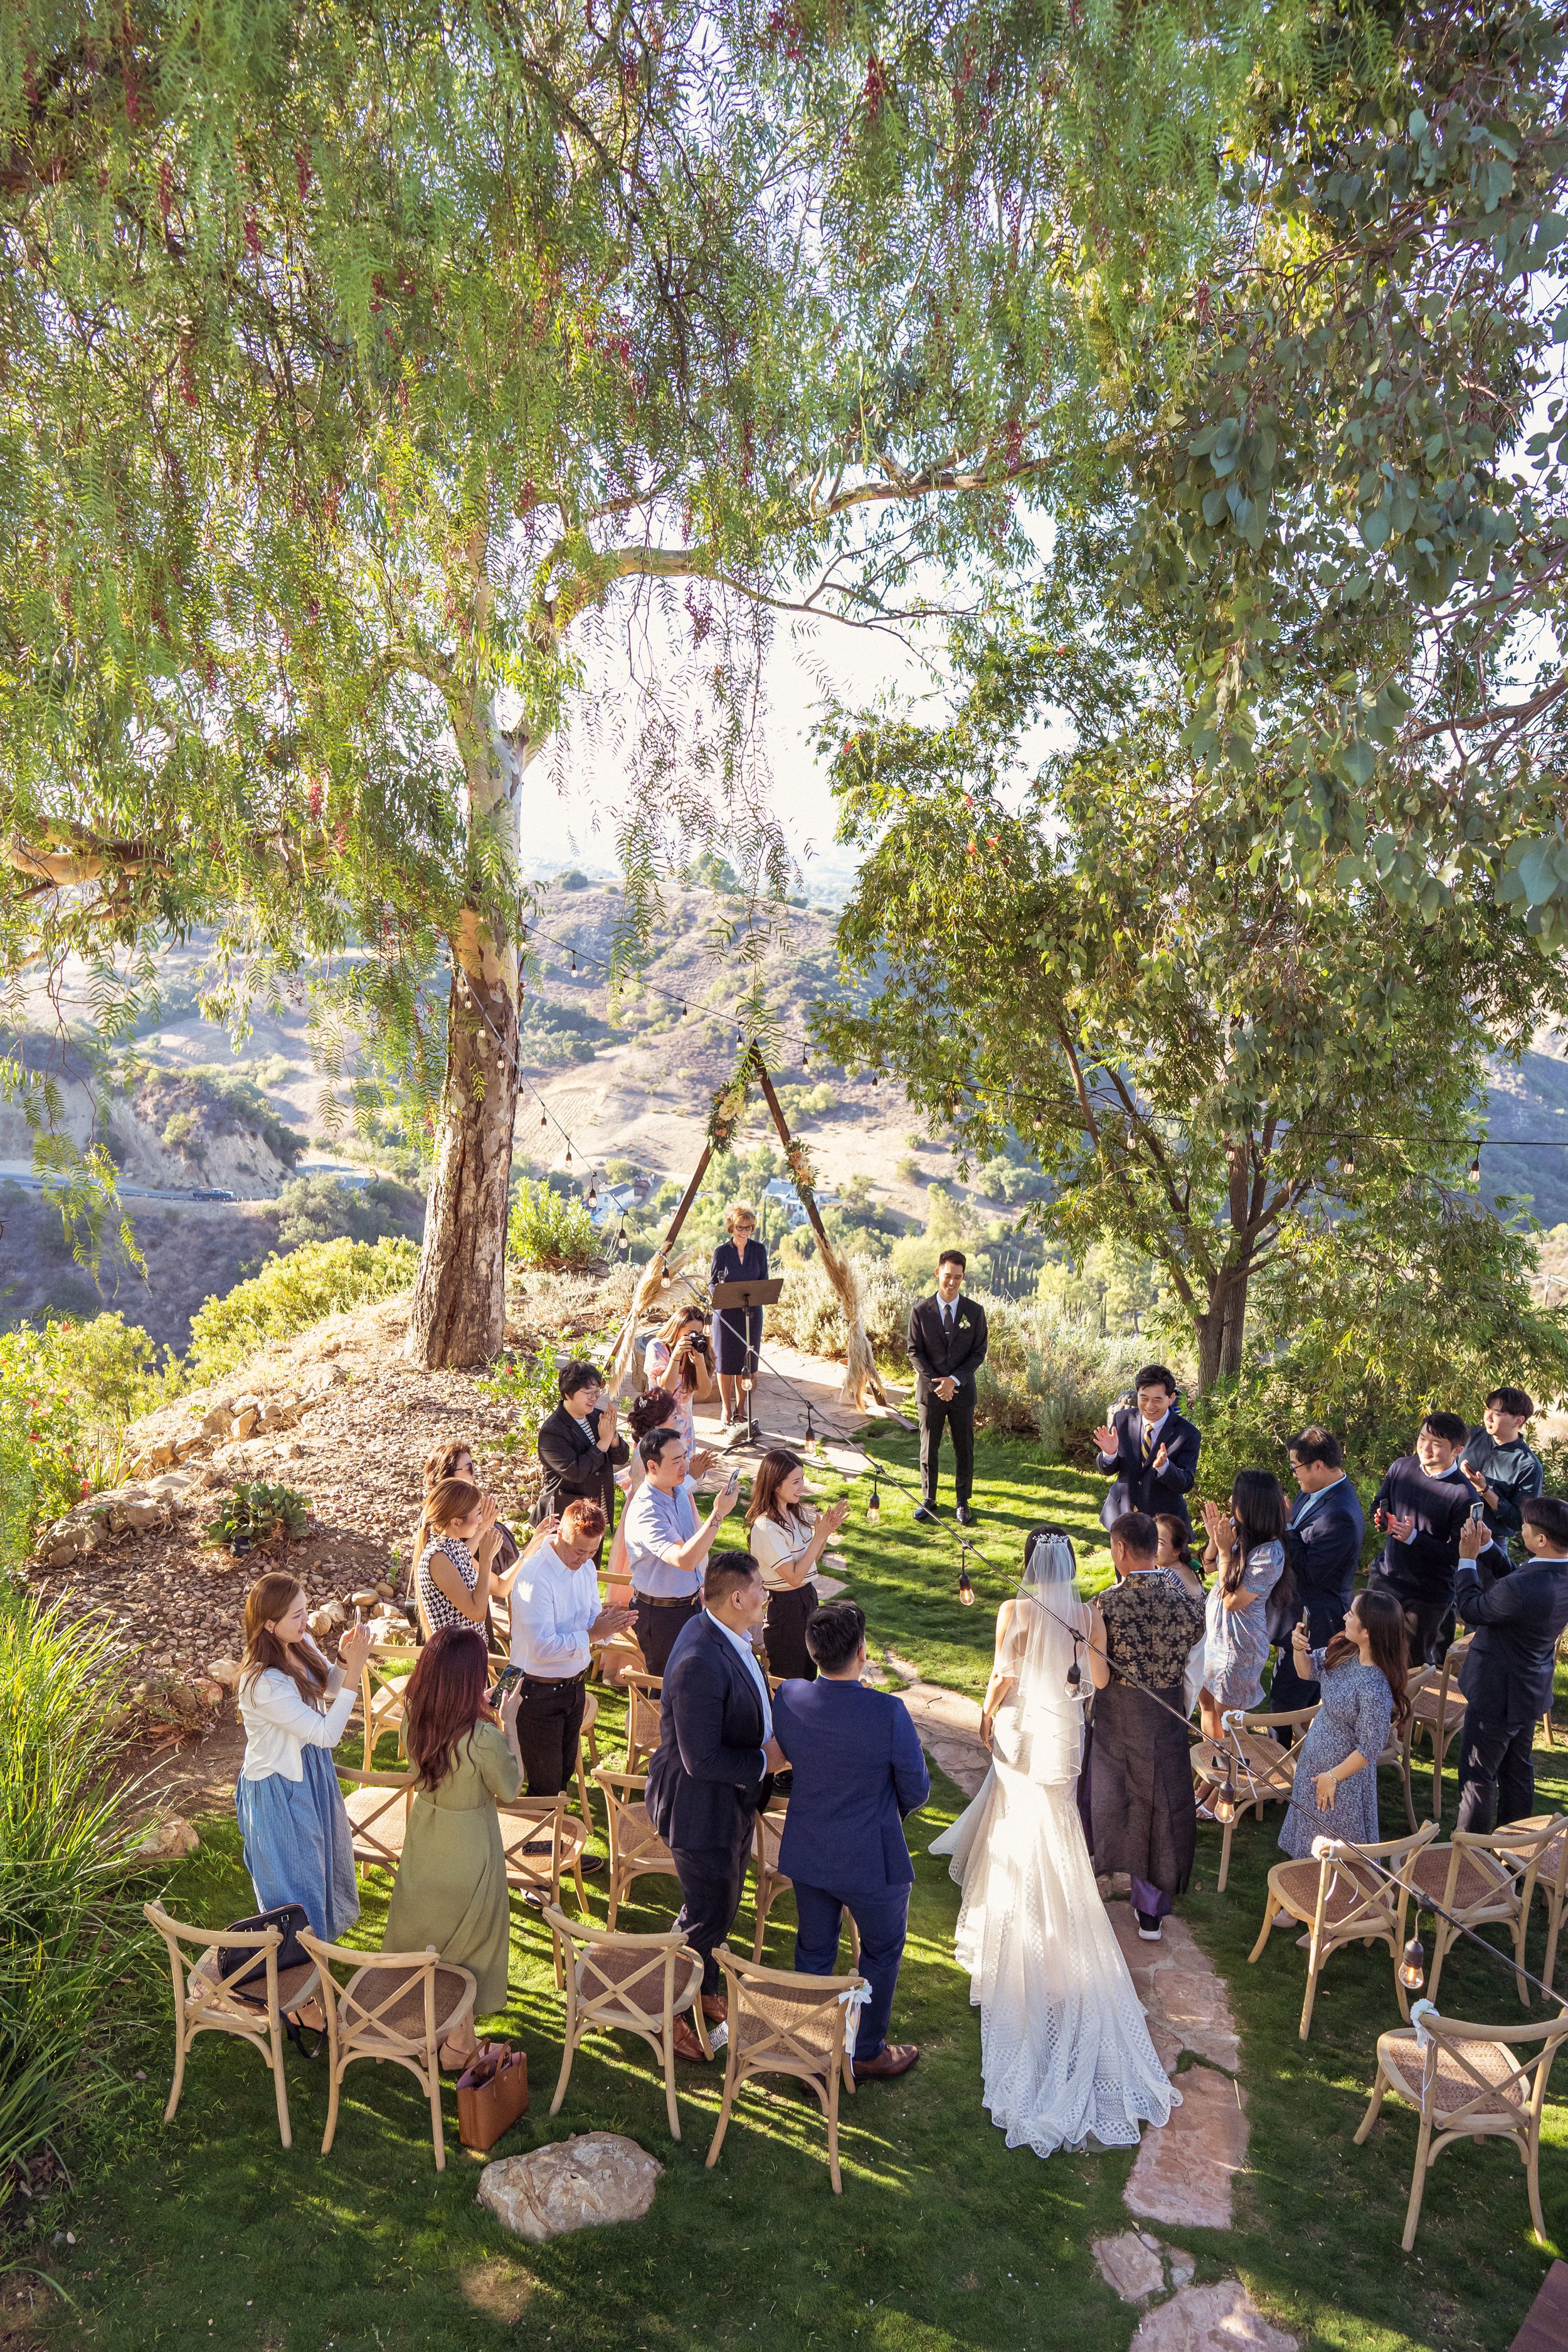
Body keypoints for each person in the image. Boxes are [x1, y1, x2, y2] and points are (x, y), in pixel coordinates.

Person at [931, 1530, 1176, 2153]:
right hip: (1065, 1733)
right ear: (1069, 1566)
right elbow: (1094, 1680)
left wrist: (986, 1717)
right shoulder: (1089, 1611)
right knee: (1058, 1826)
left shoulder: (1013, 1609)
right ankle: (1051, 1918)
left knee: (1019, 1822)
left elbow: (1001, 1675)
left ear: (1027, 1565)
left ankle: (1018, 1917)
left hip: (1022, 1729)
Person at [772, 1601, 928, 2082]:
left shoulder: (791, 1697)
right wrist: (887, 1811)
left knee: (815, 1949)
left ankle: (815, 2047)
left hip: (810, 1849)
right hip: (872, 1858)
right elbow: (917, 1789)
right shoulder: (888, 1712)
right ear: (862, 1652)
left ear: (812, 1651)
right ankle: (864, 2051)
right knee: (881, 1951)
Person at [645, 1551, 788, 2062]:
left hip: (727, 1804)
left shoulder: (724, 1633)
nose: (766, 1598)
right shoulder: (699, 1662)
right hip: (698, 1809)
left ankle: (702, 1990)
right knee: (707, 1914)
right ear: (736, 1598)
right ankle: (670, 2013)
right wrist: (764, 1761)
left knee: (721, 1905)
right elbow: (701, 1758)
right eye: (760, 1591)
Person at [384, 1626, 523, 2071]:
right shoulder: (483, 1738)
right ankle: (460, 2044)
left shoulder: (413, 1718)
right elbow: (512, 1788)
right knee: (471, 1945)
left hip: (426, 1837)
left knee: (430, 1936)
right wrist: (511, 1720)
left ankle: (435, 2033)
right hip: (471, 1847)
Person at [235, 1572, 373, 1965]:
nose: (305, 1621)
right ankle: (299, 1992)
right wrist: (357, 1673)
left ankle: (316, 1967)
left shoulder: (300, 1642)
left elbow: (326, 1686)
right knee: (293, 1886)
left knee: (320, 1868)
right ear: (268, 1623)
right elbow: (328, 1733)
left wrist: (345, 1661)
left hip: (309, 1770)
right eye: (296, 1615)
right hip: (279, 1787)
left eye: (305, 1610)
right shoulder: (262, 1683)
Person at [1086, 1510, 1206, 1941]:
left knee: (1112, 1798)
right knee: (1161, 1806)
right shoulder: (1189, 1602)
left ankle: (1097, 1879)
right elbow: (1196, 1656)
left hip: (1120, 1718)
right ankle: (1150, 1911)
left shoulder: (1104, 1604)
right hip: (1167, 1716)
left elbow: (1095, 1674)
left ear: (1119, 1549)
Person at [497, 1498, 632, 1800]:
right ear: (559, 1536)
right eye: (579, 1550)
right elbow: (543, 1647)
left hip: (573, 1688)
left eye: (594, 1551)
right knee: (544, 1785)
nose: (586, 1559)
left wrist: (609, 1624)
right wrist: (595, 1632)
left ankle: (551, 1841)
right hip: (535, 1691)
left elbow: (590, 1618)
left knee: (562, 1776)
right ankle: (534, 1842)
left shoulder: (583, 1568)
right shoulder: (534, 1577)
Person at [1452, 1498, 1568, 1832]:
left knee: (1477, 1776)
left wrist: (1467, 1560)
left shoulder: (1524, 1588)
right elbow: (1519, 1578)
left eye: (1527, 1524)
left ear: (1542, 1540)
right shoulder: (1555, 1572)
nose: (1522, 1527)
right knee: (1517, 1772)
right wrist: (1488, 1546)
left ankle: (1472, 1855)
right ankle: (1513, 1849)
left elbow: (1473, 1609)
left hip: (1496, 1695)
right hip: (1530, 1691)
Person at [1276, 1588, 1411, 1860]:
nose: (1345, 1616)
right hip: (1314, 1766)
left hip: (1341, 1784)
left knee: (1336, 1856)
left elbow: (1368, 1750)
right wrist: (1298, 1648)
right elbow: (1306, 1671)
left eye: (1352, 1614)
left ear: (1368, 1632)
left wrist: (1332, 1777)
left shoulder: (1374, 1687)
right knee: (1306, 1847)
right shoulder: (1345, 1652)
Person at [619, 1428, 744, 1676]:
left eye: (685, 1457)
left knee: (697, 1680)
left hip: (692, 1605)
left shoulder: (676, 1489)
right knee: (670, 1687)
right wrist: (718, 1514)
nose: (684, 1466)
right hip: (662, 1616)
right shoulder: (647, 1511)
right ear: (652, 1467)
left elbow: (688, 1481)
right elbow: (685, 1559)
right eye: (676, 1461)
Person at [1269, 1427, 1365, 1715]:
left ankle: (1280, 1759)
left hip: (1317, 1622)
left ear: (1319, 1466)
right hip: (1295, 1615)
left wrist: (1286, 1526)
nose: (1294, 1473)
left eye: (1296, 1466)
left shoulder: (1340, 1515)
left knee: (1288, 1705)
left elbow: (1312, 1572)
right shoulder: (1311, 1490)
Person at [1367, 1412, 1474, 1665]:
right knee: (1370, 1654)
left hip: (1427, 1594)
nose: (1425, 1448)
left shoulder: (1464, 1495)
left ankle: (1407, 1706)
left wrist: (1414, 1537)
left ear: (1457, 1450)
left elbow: (1461, 1554)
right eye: (1422, 1438)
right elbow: (1378, 1504)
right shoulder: (1401, 1467)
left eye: (1436, 1444)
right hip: (1386, 1577)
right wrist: (1382, 1518)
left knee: (1410, 1664)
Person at [746, 1448, 850, 1682]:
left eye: (802, 1479)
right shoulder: (765, 1527)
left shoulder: (794, 1513)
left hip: (807, 1598)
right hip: (785, 1608)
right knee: (789, 1678)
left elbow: (810, 1561)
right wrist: (818, 1536)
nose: (801, 1486)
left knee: (809, 1672)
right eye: (795, 1482)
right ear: (775, 1484)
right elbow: (793, 1576)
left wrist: (824, 1535)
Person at [1198, 1470, 1288, 1738]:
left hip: (1239, 1645)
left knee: (1228, 1720)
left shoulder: (1270, 1554)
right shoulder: (1240, 1532)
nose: (1230, 1499)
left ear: (1253, 1503)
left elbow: (1232, 1601)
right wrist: (1215, 1541)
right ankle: (1215, 1769)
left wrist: (1226, 1550)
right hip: (1216, 1638)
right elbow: (1209, 1566)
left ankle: (1232, 1774)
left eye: (1236, 1496)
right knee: (1206, 1704)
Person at [907, 1249, 989, 1525]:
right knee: (929, 1447)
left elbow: (979, 1352)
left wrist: (954, 1381)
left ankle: (963, 1502)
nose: (951, 1282)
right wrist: (938, 1383)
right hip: (931, 1393)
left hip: (962, 1393)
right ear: (937, 1274)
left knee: (964, 1449)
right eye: (947, 1276)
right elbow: (914, 1352)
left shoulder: (975, 1313)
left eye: (957, 1277)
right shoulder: (920, 1312)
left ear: (963, 1277)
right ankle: (929, 1499)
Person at [1093, 1366, 1201, 1535]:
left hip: (1163, 1527)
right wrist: (1110, 1454)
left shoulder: (1187, 1433)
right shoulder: (1122, 1420)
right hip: (1122, 1516)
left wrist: (1165, 1467)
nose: (1150, 1406)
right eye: (1144, 1398)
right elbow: (1108, 1469)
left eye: (1157, 1400)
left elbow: (1186, 1483)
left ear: (1171, 1398)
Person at [535, 1360, 629, 1528]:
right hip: (566, 1515)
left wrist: (613, 1436)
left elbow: (621, 1458)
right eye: (588, 1392)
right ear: (568, 1394)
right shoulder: (553, 1432)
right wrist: (604, 1441)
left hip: (598, 1508)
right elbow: (576, 1472)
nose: (594, 1398)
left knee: (593, 1553)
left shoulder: (597, 1418)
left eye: (597, 1392)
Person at [1460, 1387, 1545, 1558]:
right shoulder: (1470, 1436)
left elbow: (1519, 1520)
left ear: (1518, 1421)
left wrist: (1484, 1490)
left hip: (1489, 1544)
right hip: (1451, 1532)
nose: (1488, 1417)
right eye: (1487, 1409)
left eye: (1497, 1414)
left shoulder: (1528, 1465)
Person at [415, 1476, 502, 1638]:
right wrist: (486, 1561)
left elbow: (465, 1553)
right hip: (455, 1656)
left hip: (466, 1653)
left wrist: (483, 1528)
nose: (481, 1518)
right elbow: (477, 1612)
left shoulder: (451, 1545)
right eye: (478, 1513)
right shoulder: (438, 1557)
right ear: (456, 1523)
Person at [711, 1202, 769, 1428]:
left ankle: (741, 1408)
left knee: (747, 1361)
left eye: (749, 1228)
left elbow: (764, 1280)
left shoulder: (759, 1250)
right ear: (731, 1227)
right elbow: (713, 1282)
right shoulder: (722, 1252)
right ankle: (726, 1408)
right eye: (740, 1228)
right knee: (726, 1363)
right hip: (726, 1314)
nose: (744, 1232)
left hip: (751, 1314)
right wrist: (722, 1294)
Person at [1154, 1513, 1209, 1718]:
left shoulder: (1166, 1576)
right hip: (1199, 1646)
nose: (1151, 1547)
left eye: (1159, 1542)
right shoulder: (1186, 1568)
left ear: (1177, 1551)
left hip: (1186, 1655)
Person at [643, 1305, 716, 1453]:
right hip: (659, 1422)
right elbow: (666, 1389)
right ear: (676, 1331)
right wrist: (675, 1357)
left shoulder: (701, 1348)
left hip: (685, 1427)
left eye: (700, 1333)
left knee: (683, 1469)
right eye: (691, 1334)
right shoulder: (657, 1347)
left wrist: (700, 1363)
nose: (697, 1338)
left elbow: (705, 1392)